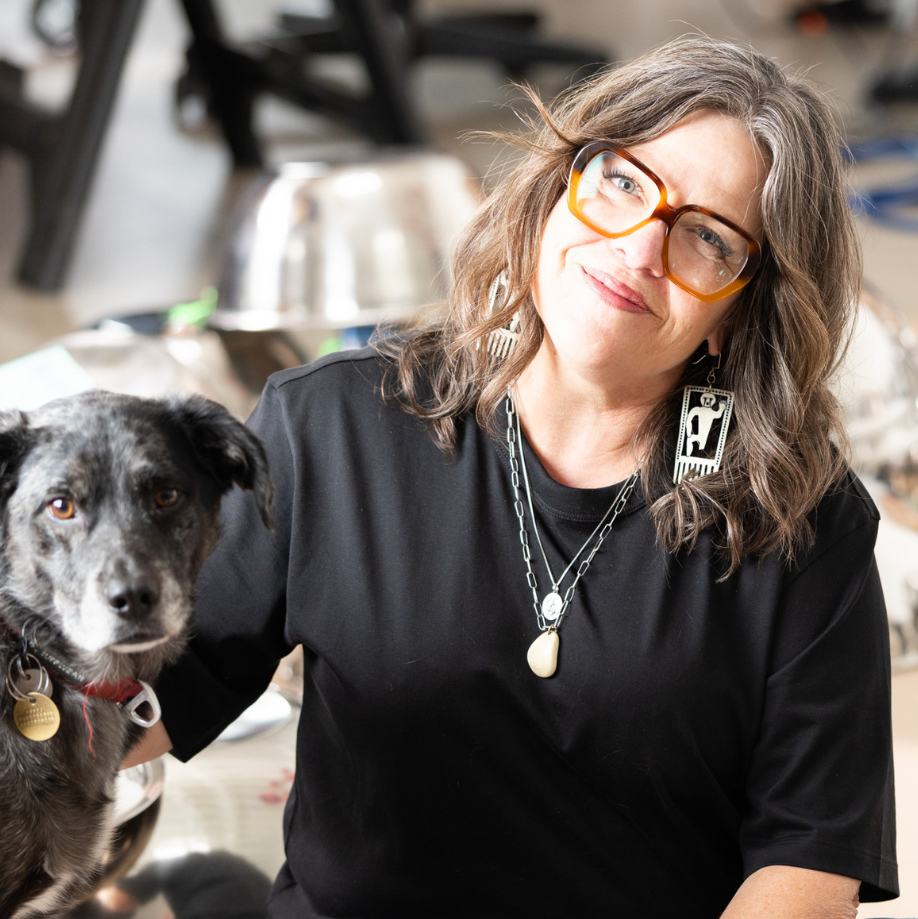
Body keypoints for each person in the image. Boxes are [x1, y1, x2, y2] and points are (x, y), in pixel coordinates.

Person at [126, 35, 898, 918]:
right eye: (621, 182)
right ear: (554, 195)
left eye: (707, 238)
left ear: (735, 314)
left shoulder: (803, 520)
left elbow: (807, 863)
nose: (640, 248)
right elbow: (145, 696)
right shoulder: (329, 428)